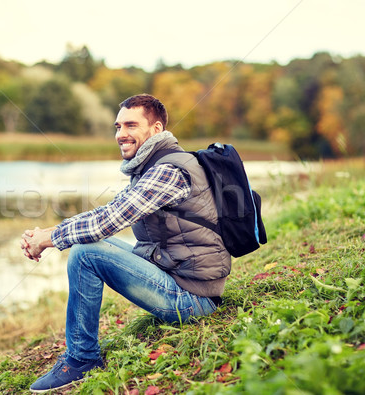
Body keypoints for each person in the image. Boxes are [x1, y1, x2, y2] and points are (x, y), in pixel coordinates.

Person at [20, 93, 230, 393]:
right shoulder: (153, 166)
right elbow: (106, 214)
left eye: (131, 125)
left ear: (156, 130)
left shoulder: (168, 171)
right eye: (117, 127)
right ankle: (82, 353)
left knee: (85, 253)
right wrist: (49, 231)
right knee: (95, 243)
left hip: (194, 298)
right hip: (181, 277)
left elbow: (110, 219)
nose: (121, 134)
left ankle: (81, 359)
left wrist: (48, 240)